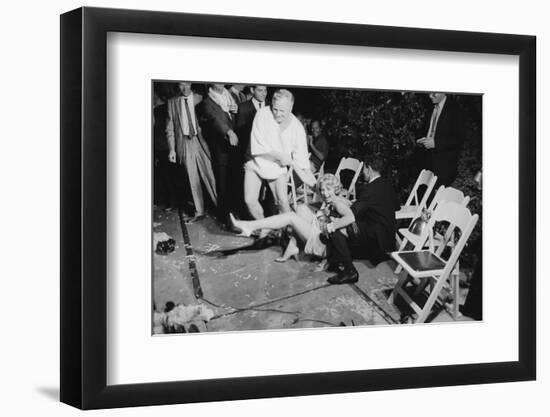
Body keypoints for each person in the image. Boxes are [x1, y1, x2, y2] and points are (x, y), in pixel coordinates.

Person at [230, 174, 355, 262]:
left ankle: (250, 225)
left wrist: (330, 226)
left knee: (291, 217)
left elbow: (350, 218)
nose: (325, 193)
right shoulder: (332, 200)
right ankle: (292, 247)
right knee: (301, 208)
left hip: (323, 244)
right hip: (320, 233)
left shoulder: (338, 203)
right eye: (322, 190)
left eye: (329, 190)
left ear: (336, 189)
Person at [244, 89, 316, 220]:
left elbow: (302, 162)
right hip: (255, 161)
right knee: (249, 200)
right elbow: (258, 147)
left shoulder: (297, 128)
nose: (277, 114)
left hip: (277, 167)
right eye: (275, 109)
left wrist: (315, 184)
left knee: (282, 202)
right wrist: (281, 156)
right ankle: (264, 228)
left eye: (282, 111)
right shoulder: (262, 114)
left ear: (291, 107)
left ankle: (285, 233)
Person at [326, 154, 397, 285]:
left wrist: (332, 226)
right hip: (388, 236)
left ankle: (350, 271)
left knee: (337, 230)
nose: (363, 172)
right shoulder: (387, 184)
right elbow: (387, 206)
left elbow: (351, 216)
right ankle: (340, 257)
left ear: (368, 168)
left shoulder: (369, 189)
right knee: (350, 224)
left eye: (364, 169)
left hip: (376, 237)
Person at [165, 82, 217, 221]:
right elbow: (170, 127)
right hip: (185, 143)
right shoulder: (172, 102)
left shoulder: (201, 98)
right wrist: (172, 149)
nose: (185, 88)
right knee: (192, 179)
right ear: (178, 86)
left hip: (201, 142)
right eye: (181, 85)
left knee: (210, 175)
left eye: (187, 84)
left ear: (191, 84)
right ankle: (199, 211)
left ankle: (220, 208)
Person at [197, 84, 240, 228]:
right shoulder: (206, 103)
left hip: (235, 148)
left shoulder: (231, 96)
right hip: (221, 150)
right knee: (223, 185)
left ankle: (235, 215)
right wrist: (229, 132)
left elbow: (235, 118)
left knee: (234, 183)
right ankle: (225, 219)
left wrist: (236, 111)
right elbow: (215, 120)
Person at [416, 92, 466, 187]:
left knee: (438, 199)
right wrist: (424, 139)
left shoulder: (455, 109)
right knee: (426, 197)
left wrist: (436, 143)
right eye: (429, 93)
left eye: (434, 93)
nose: (430, 96)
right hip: (427, 161)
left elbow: (459, 139)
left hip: (444, 166)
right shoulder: (431, 107)